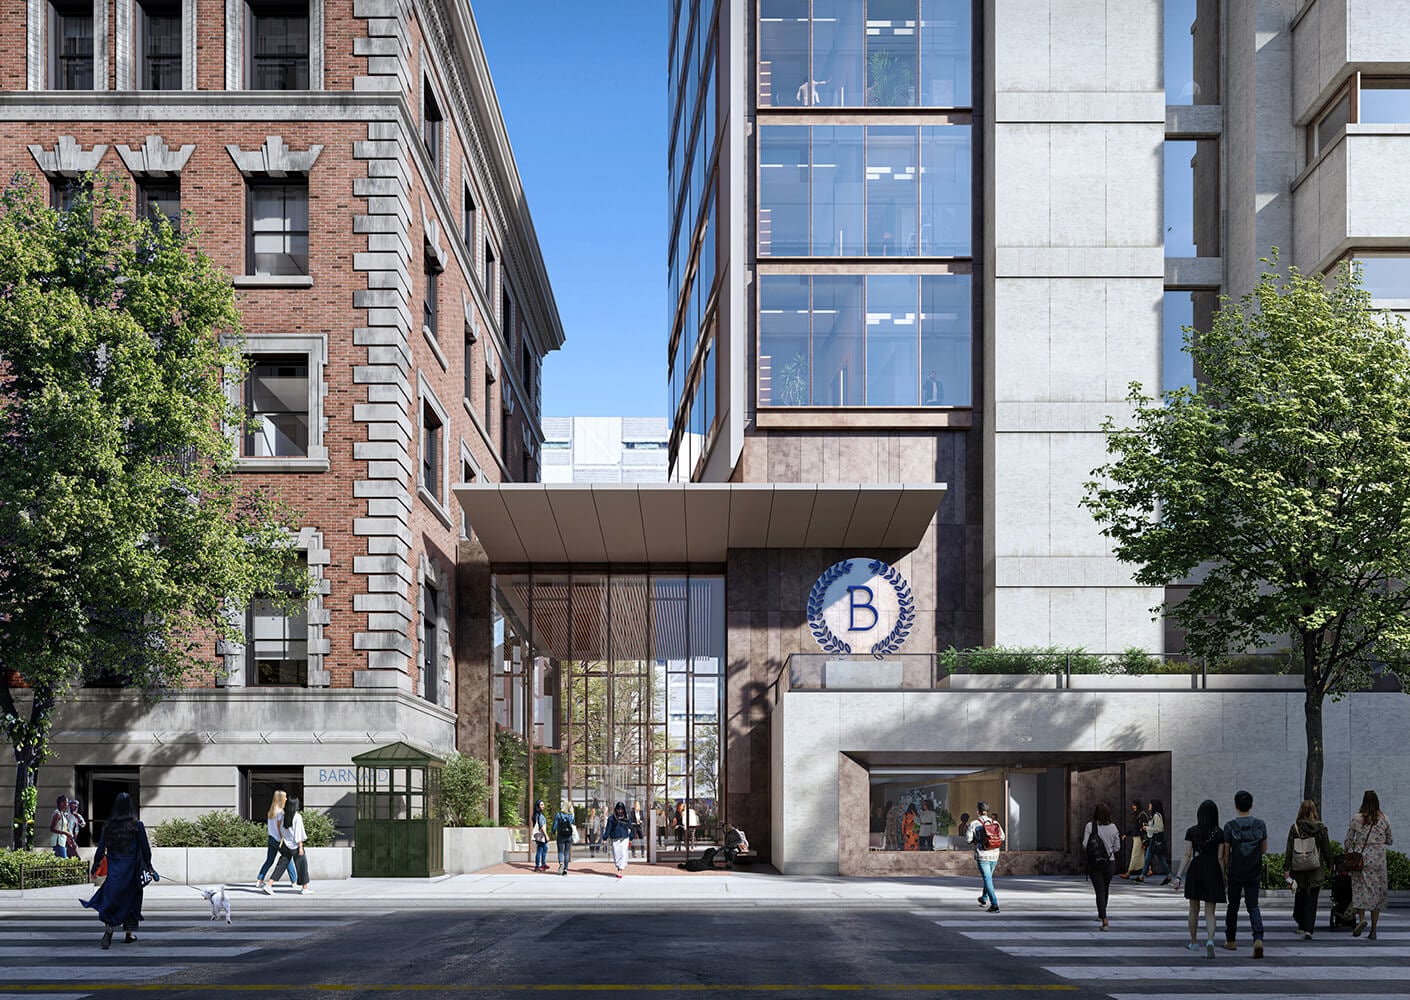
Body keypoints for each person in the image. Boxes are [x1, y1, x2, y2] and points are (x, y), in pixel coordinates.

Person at [81, 792, 154, 949]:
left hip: (115, 872)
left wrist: (94, 869)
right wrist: (149, 866)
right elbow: (145, 849)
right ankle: (129, 934)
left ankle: (109, 927)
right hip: (132, 872)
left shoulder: (109, 827)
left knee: (112, 900)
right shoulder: (137, 825)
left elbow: (100, 850)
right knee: (132, 901)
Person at [1172, 798, 1224, 959]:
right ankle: (1210, 940)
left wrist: (1179, 876)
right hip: (1212, 870)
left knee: (1193, 909)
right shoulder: (1220, 833)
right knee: (1210, 912)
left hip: (1196, 870)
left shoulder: (1191, 831)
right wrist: (1223, 877)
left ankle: (1194, 942)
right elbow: (1221, 857)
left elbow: (1187, 855)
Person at [1220, 789, 1267, 957]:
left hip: (1235, 871)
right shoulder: (1260, 825)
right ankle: (1258, 938)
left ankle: (1231, 940)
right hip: (1253, 870)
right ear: (1251, 805)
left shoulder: (1229, 826)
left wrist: (1225, 870)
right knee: (1253, 905)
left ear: (1235, 805)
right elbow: (1264, 849)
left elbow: (1226, 853)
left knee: (1233, 906)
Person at [1346, 789, 1394, 940]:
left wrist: (1347, 851)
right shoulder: (1384, 818)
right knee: (1377, 893)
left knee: (1360, 889)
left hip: (1361, 858)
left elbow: (1348, 839)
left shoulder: (1356, 818)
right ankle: (1373, 931)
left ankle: (1362, 920)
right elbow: (1390, 840)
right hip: (1379, 858)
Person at [1286, 798, 1333, 940]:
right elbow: (1326, 849)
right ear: (1314, 811)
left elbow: (1289, 849)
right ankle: (1308, 929)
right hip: (1315, 867)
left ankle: (1300, 924)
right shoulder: (1321, 828)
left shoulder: (1295, 828)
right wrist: (1330, 864)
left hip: (1298, 867)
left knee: (1300, 895)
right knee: (1312, 898)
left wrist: (1286, 867)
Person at [1082, 802, 1121, 931]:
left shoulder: (1090, 826)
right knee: (1105, 888)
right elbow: (1117, 847)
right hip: (1110, 863)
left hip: (1095, 863)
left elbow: (1085, 844)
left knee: (1099, 891)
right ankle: (1101, 914)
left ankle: (1104, 920)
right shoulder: (1114, 827)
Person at [966, 801, 1005, 913]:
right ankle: (984, 898)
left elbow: (968, 839)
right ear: (987, 812)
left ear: (978, 811)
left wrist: (975, 840)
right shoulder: (995, 822)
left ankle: (995, 904)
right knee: (988, 878)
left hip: (982, 855)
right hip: (995, 855)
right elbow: (1002, 837)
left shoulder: (974, 823)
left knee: (987, 879)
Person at [255, 790, 297, 893]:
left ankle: (259, 880)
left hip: (271, 839)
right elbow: (279, 827)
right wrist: (284, 837)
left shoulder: (271, 811)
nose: (286, 799)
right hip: (279, 840)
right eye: (285, 797)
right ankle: (294, 881)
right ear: (281, 799)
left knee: (269, 861)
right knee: (287, 859)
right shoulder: (280, 812)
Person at [281, 797, 312, 895]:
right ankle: (304, 888)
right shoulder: (297, 817)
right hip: (296, 846)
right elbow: (299, 833)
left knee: (281, 865)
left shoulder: (284, 816)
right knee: (302, 867)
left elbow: (282, 831)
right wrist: (301, 847)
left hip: (287, 845)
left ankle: (269, 884)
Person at [1136, 799, 1170, 884]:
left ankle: (1142, 877)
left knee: (1155, 859)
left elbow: (1159, 829)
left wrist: (1146, 828)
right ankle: (1142, 877)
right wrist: (1148, 826)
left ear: (1154, 805)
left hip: (1154, 841)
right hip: (1153, 841)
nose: (1149, 806)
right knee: (1150, 859)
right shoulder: (1155, 816)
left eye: (1150, 804)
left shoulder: (1156, 816)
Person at [1118, 800, 1149, 879]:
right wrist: (1126, 834)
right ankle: (1148, 869)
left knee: (1135, 855)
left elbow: (1144, 828)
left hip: (1139, 838)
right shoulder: (1138, 814)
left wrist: (1144, 840)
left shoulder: (1142, 815)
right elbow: (1134, 828)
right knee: (1141, 856)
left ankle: (1128, 873)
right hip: (1136, 837)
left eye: (1134, 805)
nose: (1133, 807)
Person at [604, 801, 633, 878]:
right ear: (616, 809)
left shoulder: (626, 817)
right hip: (615, 838)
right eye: (618, 809)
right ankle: (619, 866)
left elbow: (630, 828)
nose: (620, 811)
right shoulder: (612, 818)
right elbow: (608, 829)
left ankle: (620, 869)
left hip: (624, 837)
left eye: (621, 809)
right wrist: (604, 838)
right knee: (616, 854)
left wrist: (631, 838)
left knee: (623, 853)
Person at [553, 801, 575, 875]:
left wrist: (553, 831)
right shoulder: (572, 815)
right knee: (566, 853)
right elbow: (573, 824)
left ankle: (561, 863)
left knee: (560, 851)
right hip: (569, 835)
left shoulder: (559, 814)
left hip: (560, 835)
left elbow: (555, 825)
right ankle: (565, 869)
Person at [530, 799, 549, 872]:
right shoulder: (540, 816)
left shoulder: (536, 815)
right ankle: (537, 866)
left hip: (539, 835)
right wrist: (546, 835)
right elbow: (542, 827)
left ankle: (543, 864)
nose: (543, 806)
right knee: (540, 850)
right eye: (541, 805)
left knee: (545, 848)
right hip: (541, 835)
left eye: (543, 804)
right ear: (538, 806)